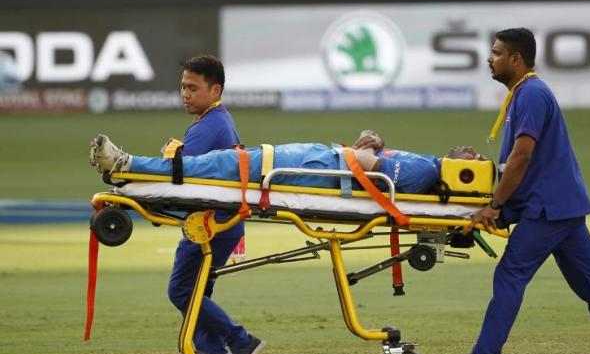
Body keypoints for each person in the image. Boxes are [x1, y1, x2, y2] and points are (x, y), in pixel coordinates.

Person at [437, 28, 590, 354]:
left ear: (516, 59)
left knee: (510, 274)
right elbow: (519, 162)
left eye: (497, 53)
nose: (490, 58)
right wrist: (502, 208)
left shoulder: (531, 94)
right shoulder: (525, 93)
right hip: (559, 205)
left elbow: (523, 157)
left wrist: (496, 205)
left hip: (547, 208)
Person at [156, 55, 264, 354]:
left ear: (215, 90)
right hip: (220, 223)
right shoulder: (217, 121)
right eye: (183, 87)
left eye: (193, 88)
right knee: (197, 290)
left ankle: (241, 340)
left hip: (211, 225)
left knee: (181, 290)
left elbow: (180, 180)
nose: (185, 94)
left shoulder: (208, 127)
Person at [90, 133, 487, 195]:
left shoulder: (426, 172)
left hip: (316, 169)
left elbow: (368, 167)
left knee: (218, 165)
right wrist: (373, 142)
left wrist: (366, 151)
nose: (471, 150)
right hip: (321, 162)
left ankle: (127, 165)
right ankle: (133, 169)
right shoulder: (427, 165)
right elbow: (374, 159)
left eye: (477, 159)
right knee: (219, 164)